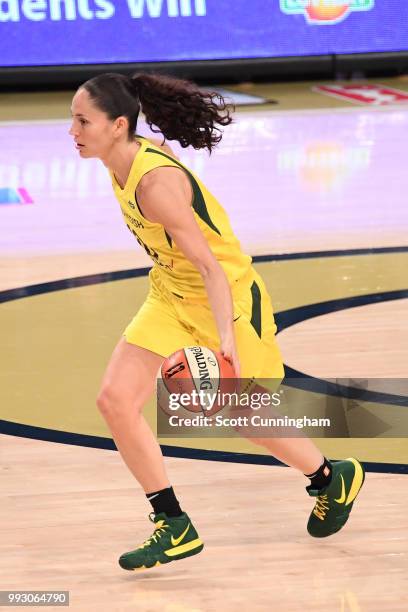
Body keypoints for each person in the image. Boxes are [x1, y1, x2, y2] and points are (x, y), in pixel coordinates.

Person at [69, 72, 365, 571]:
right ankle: (173, 524)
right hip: (170, 294)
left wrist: (226, 338)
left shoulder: (155, 185)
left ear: (118, 125)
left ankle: (329, 478)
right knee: (115, 401)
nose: (72, 130)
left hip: (225, 299)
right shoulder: (119, 158)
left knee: (240, 416)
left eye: (82, 121)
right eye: (72, 119)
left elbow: (210, 266)